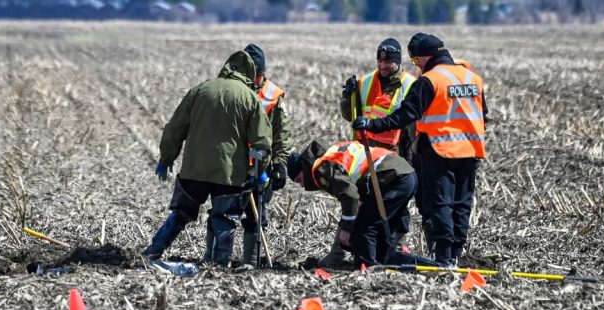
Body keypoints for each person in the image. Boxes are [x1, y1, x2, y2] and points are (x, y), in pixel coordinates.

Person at [352, 33, 488, 266]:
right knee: (462, 204)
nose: (416, 67)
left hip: (439, 150)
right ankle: (456, 253)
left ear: (425, 57)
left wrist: (372, 124)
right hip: (471, 150)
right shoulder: (472, 77)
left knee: (441, 203)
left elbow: (404, 115)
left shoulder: (430, 80)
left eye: (415, 61)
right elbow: (483, 115)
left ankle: (444, 257)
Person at [142, 49, 272, 268]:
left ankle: (152, 252)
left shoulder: (200, 90)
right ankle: (219, 265)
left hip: (195, 169)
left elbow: (174, 129)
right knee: (225, 219)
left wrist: (166, 158)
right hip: (229, 174)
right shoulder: (249, 98)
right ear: (251, 74)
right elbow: (262, 142)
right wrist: (260, 172)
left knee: (181, 213)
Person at [201, 44, 293, 269]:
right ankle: (213, 259)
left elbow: (282, 135)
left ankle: (251, 262)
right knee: (221, 212)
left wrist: (279, 164)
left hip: (259, 167)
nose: (253, 78)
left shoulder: (272, 96)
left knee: (256, 216)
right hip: (231, 166)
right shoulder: (229, 90)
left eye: (257, 74)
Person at [286, 140, 436, 268]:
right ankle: (412, 264)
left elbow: (350, 196)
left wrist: (346, 229)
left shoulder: (320, 168)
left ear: (303, 168)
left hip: (392, 178)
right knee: (380, 240)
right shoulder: (331, 154)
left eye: (299, 180)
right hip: (404, 174)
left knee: (365, 227)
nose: (301, 185)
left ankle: (368, 269)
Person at [339, 38, 416, 153]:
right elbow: (349, 116)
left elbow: (413, 130)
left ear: (398, 62)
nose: (382, 65)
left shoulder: (411, 84)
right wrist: (348, 96)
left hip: (392, 152)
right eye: (380, 61)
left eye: (387, 62)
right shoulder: (365, 81)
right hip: (363, 148)